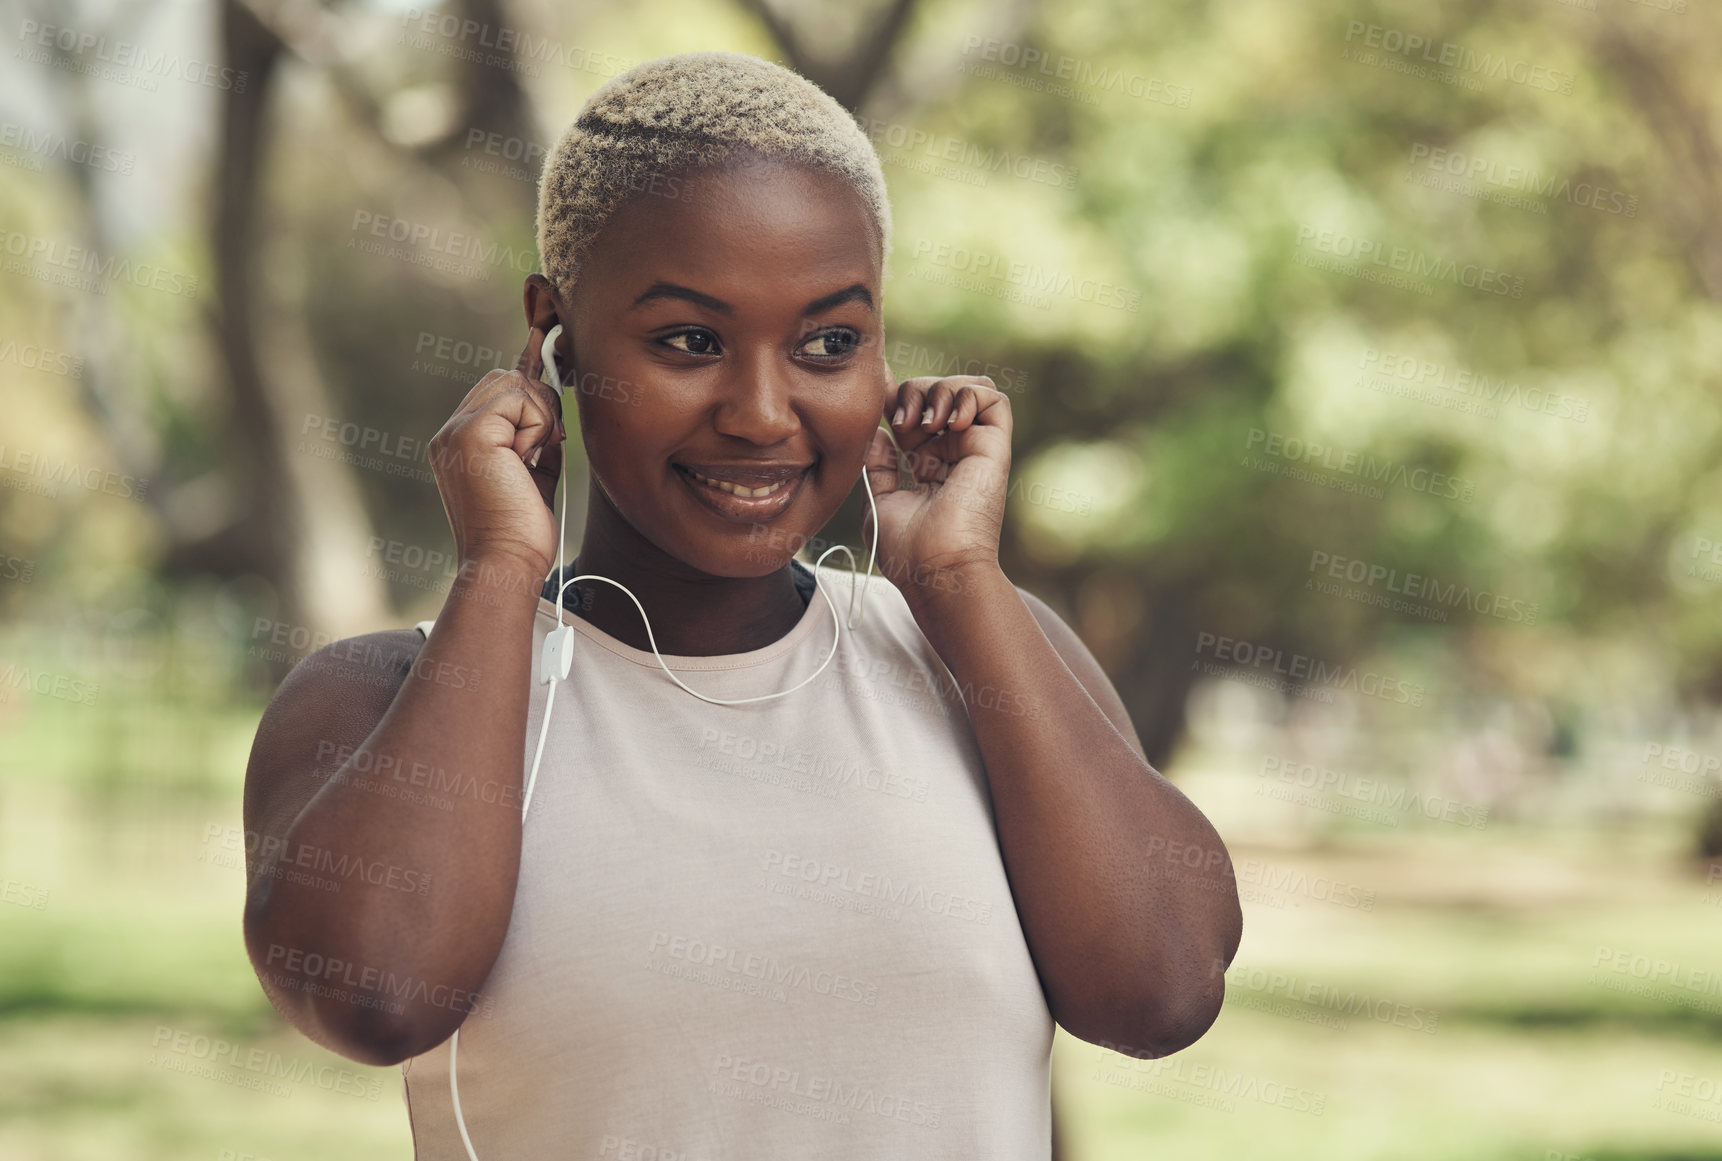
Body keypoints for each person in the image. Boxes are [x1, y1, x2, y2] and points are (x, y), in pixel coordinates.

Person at [241, 50, 1241, 1160]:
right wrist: (497, 570)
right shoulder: (381, 697)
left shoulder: (981, 653)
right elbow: (374, 996)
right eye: (690, 341)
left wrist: (958, 583)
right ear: (552, 333)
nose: (764, 413)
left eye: (828, 342)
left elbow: (1164, 993)